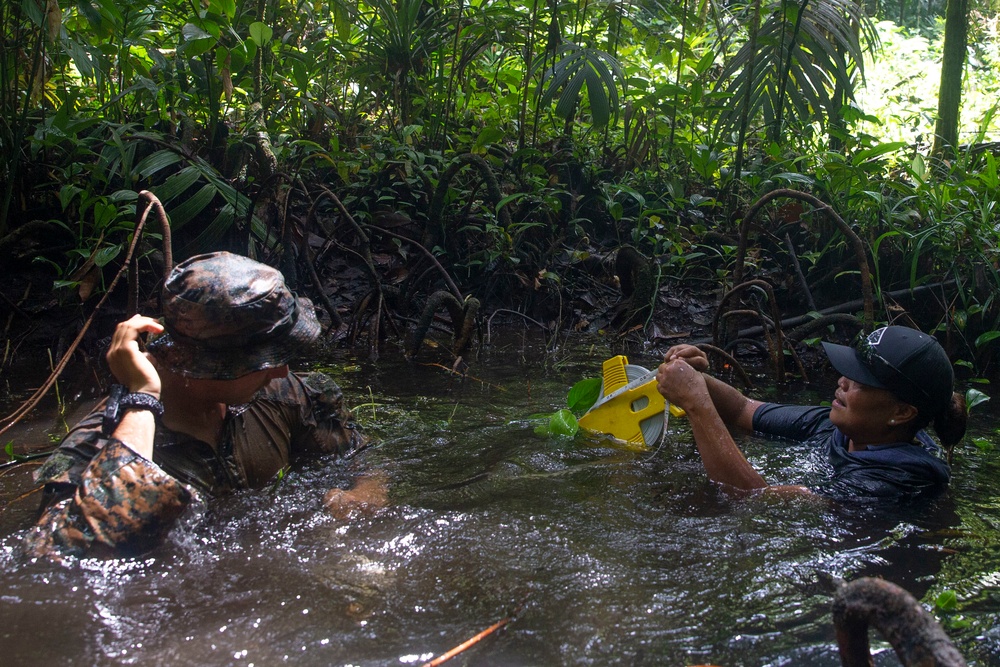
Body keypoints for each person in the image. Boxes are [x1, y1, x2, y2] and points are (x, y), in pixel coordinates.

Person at [26, 251, 386, 559]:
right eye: (261, 360)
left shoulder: (281, 395)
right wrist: (142, 398)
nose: (281, 370)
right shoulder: (99, 447)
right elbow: (73, 556)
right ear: (206, 362)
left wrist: (364, 494)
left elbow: (359, 456)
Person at [655, 325, 968, 500]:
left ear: (901, 412)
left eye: (861, 381)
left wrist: (696, 401)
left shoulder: (896, 480)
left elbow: (756, 498)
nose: (842, 381)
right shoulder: (840, 426)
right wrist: (696, 377)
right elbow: (742, 409)